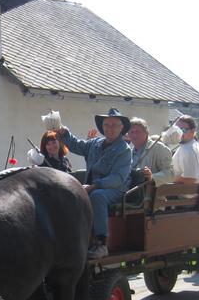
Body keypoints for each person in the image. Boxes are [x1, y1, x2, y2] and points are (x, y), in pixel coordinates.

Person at [57, 108, 133, 259]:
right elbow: (77, 145)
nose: (110, 128)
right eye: (107, 125)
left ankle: (101, 243)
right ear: (102, 127)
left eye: (114, 125)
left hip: (116, 190)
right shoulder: (95, 143)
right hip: (93, 187)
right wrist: (65, 133)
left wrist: (94, 185)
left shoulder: (124, 150)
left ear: (121, 127)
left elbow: (117, 178)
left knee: (98, 196)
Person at [126, 118, 174, 185]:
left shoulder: (159, 148)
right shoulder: (128, 152)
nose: (134, 135)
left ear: (146, 133)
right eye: (131, 132)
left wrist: (152, 177)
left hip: (151, 193)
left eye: (137, 132)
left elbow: (170, 174)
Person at [172, 115, 199, 184]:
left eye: (182, 130)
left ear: (192, 132)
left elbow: (190, 179)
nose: (179, 133)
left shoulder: (188, 150)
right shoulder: (192, 144)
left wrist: (168, 178)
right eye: (176, 129)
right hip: (186, 192)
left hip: (182, 193)